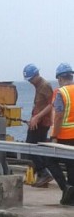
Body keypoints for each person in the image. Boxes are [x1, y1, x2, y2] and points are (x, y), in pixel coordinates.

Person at [44, 63, 74, 205]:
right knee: (71, 165)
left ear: (60, 78)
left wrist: (54, 136)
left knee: (48, 159)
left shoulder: (61, 92)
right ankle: (70, 198)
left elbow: (58, 115)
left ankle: (65, 188)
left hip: (64, 136)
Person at [22, 64, 54, 187]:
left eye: (31, 79)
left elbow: (51, 104)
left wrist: (37, 117)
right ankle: (41, 175)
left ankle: (44, 173)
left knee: (30, 147)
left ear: (36, 75)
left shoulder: (45, 85)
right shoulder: (38, 85)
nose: (30, 82)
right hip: (37, 121)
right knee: (36, 148)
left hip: (41, 123)